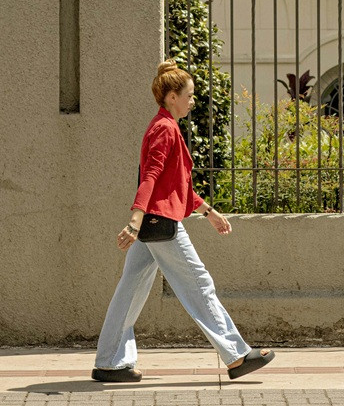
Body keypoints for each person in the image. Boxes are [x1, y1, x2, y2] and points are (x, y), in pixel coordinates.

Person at [92, 60, 276, 383]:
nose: (193, 101)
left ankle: (109, 361)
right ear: (171, 97)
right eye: (189, 96)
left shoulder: (165, 126)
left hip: (155, 220)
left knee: (130, 288)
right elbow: (149, 177)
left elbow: (178, 188)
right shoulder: (164, 128)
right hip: (160, 223)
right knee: (199, 284)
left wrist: (209, 213)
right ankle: (236, 355)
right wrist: (135, 221)